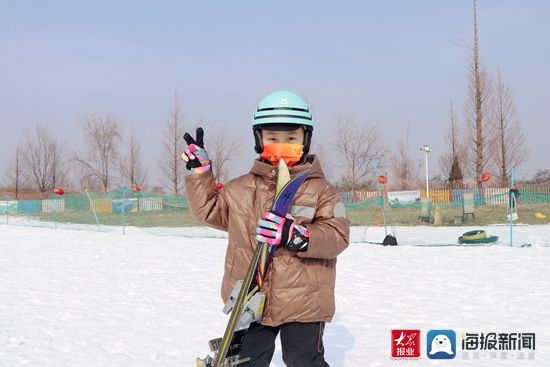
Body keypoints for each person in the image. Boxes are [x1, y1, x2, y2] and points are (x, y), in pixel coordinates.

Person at [182, 90, 350, 367]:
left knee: (303, 360)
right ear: (258, 139)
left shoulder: (322, 191)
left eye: (292, 138)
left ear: (305, 139)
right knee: (245, 361)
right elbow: (208, 211)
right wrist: (201, 175)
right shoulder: (239, 189)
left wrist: (298, 236)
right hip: (250, 296)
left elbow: (338, 235)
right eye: (272, 138)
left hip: (304, 299)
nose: (282, 145)